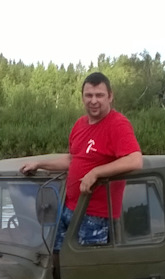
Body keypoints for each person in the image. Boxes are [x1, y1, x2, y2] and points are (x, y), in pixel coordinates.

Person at [20, 72, 142, 251]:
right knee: (55, 258)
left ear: (110, 96)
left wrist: (95, 173)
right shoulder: (80, 124)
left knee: (83, 269)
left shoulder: (118, 124)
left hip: (97, 215)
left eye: (99, 95)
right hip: (69, 208)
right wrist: (40, 164)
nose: (93, 101)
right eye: (89, 95)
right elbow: (72, 160)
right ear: (82, 97)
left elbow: (135, 160)